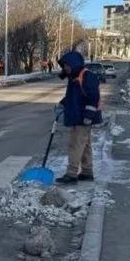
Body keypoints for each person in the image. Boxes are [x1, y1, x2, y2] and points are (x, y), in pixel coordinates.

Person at [56, 50, 102, 183]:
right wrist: (62, 104)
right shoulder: (74, 78)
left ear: (74, 64)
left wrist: (88, 115)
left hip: (82, 117)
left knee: (75, 145)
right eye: (64, 66)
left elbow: (93, 97)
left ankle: (71, 174)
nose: (65, 68)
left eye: (66, 65)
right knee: (85, 145)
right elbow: (73, 96)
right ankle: (87, 172)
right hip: (78, 116)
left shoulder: (87, 76)